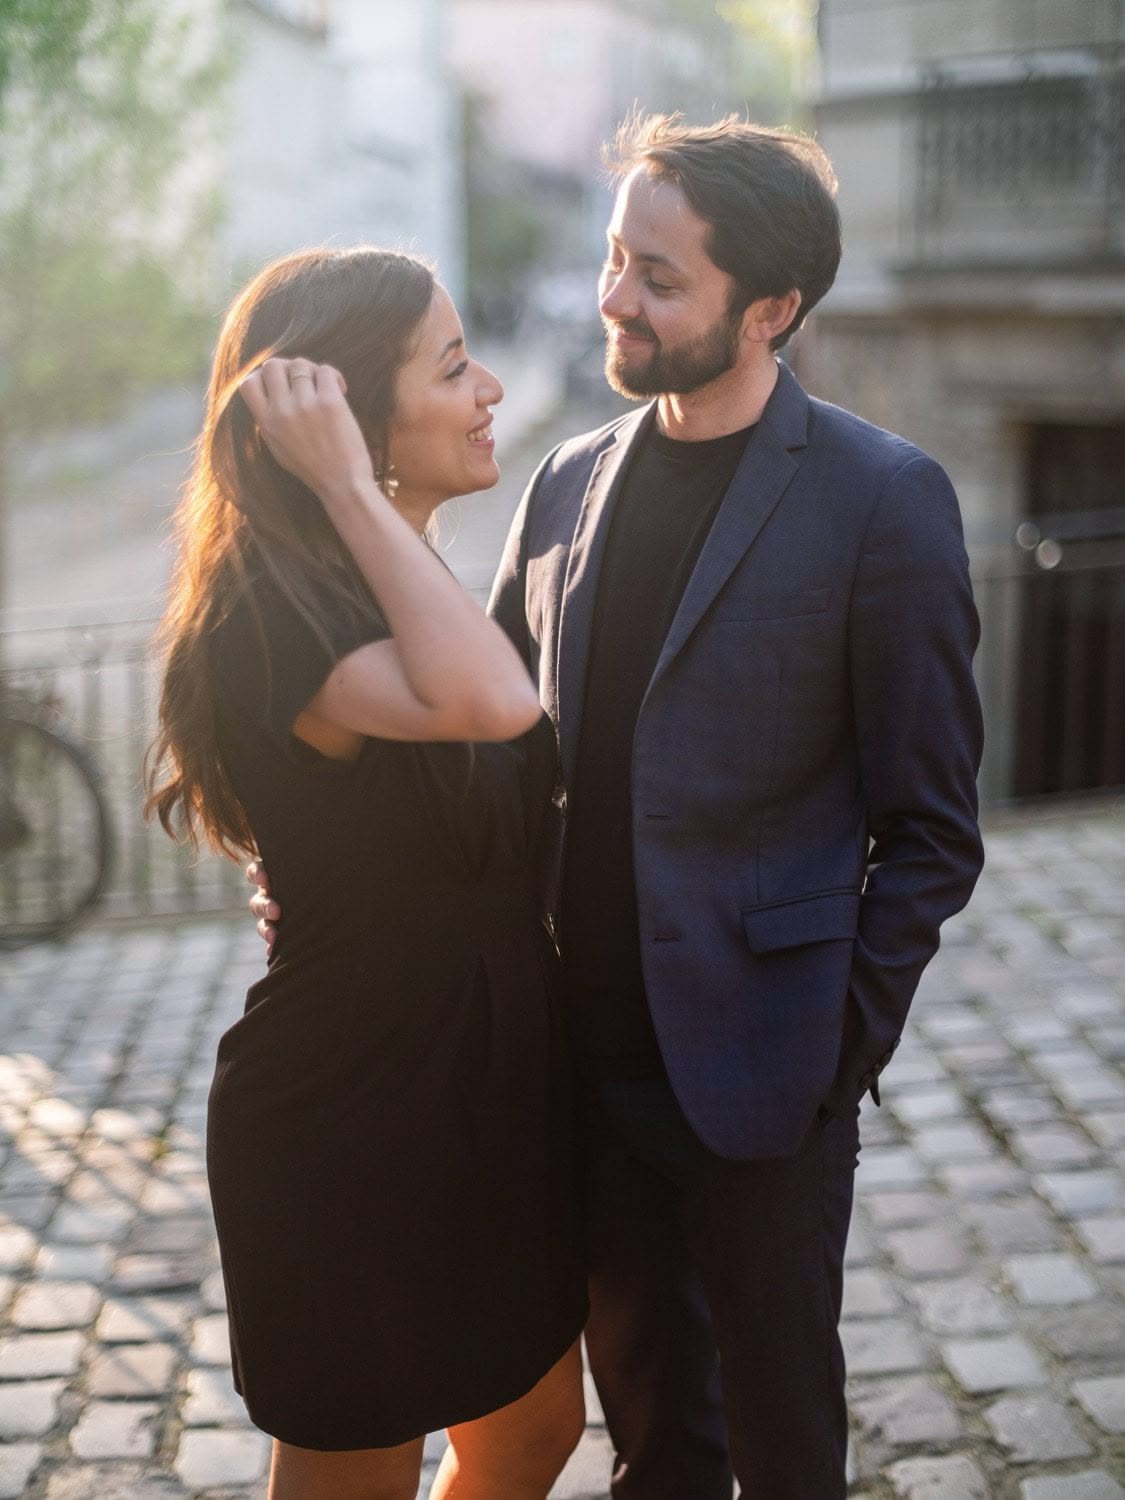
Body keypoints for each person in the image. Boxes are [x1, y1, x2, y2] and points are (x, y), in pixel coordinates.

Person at [255, 115, 985, 1497]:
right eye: (613, 258)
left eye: (660, 277)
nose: (614, 300)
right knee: (653, 1435)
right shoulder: (566, 479)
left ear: (769, 310)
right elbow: (477, 737)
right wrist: (333, 860)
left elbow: (934, 826)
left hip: (763, 1073)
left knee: (777, 1437)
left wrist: (835, 1045)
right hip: (572, 1063)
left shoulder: (884, 500)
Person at [146, 246, 587, 1500]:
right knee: (361, 1470)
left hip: (487, 1091)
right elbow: (494, 702)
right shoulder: (269, 611)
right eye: (453, 366)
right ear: (348, 413)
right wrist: (349, 485)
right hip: (358, 1115)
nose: (493, 386)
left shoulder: (387, 580)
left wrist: (375, 509)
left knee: (532, 1428)